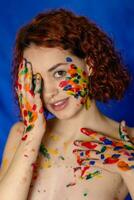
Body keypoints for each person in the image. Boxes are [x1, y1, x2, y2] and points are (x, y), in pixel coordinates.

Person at [0, 8, 134, 200]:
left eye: (59, 73)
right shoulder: (21, 135)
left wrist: (130, 169)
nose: (49, 92)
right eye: (38, 80)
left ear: (90, 65)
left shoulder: (128, 144)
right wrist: (33, 136)